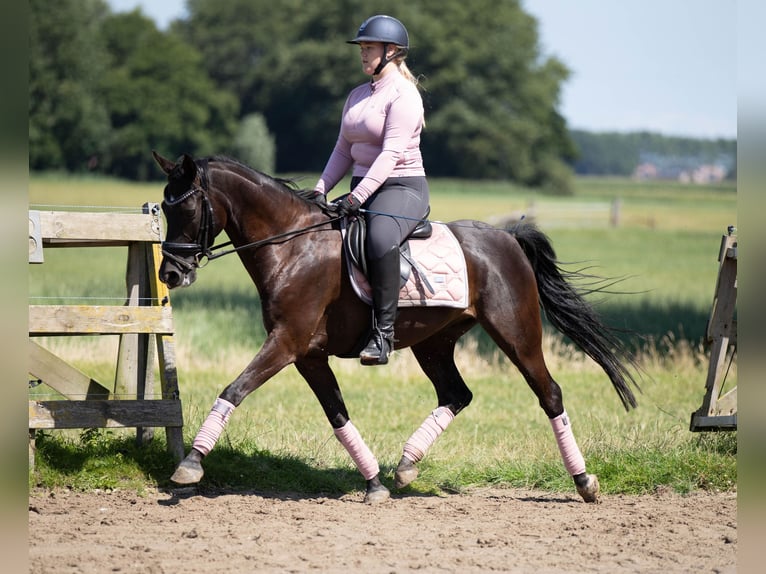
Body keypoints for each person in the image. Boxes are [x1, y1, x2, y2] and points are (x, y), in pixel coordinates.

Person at [315, 14, 430, 366]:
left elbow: (390, 155)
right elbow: (342, 150)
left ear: (391, 51)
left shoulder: (405, 95)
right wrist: (319, 191)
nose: (362, 55)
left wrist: (357, 198)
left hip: (402, 189)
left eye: (369, 48)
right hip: (363, 187)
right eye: (361, 49)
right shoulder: (357, 96)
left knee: (380, 238)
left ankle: (383, 334)